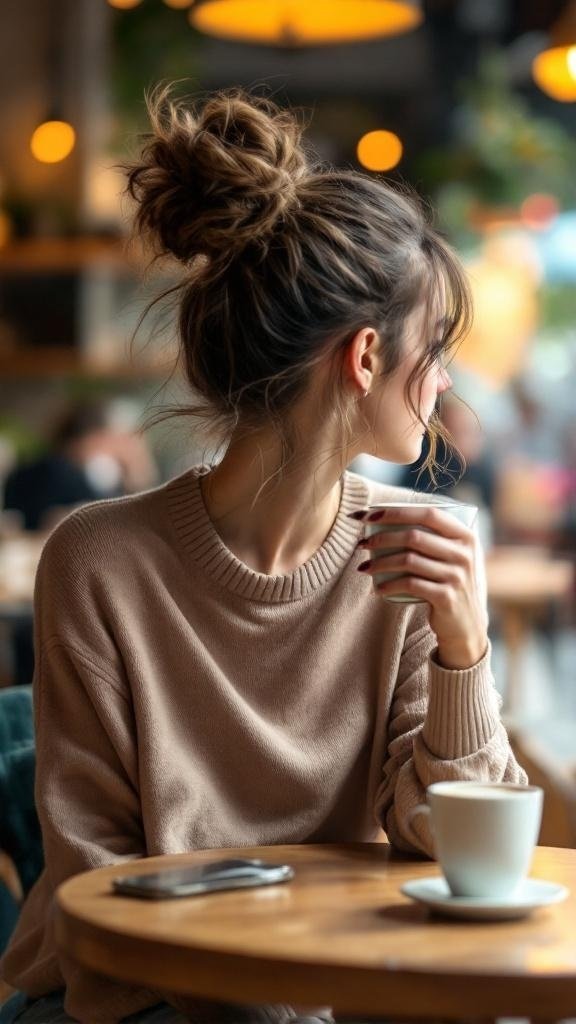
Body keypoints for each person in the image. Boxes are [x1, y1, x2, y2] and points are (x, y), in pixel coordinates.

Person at [0, 87, 526, 1024]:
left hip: (327, 992)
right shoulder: (98, 560)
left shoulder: (410, 561)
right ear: (366, 358)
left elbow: (460, 856)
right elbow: (98, 891)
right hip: (134, 1003)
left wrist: (463, 649)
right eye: (435, 348)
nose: (444, 382)